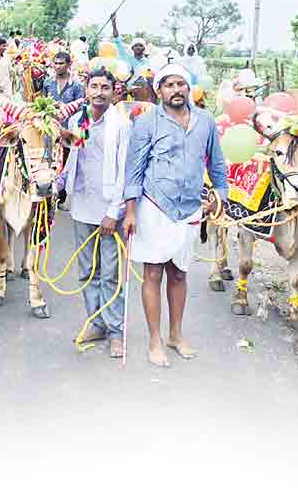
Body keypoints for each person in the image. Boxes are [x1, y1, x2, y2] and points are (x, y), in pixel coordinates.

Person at [121, 62, 227, 367]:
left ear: (189, 88)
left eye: (181, 84)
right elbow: (134, 169)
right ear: (159, 91)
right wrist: (130, 211)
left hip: (190, 208)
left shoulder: (205, 121)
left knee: (179, 274)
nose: (176, 90)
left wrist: (220, 195)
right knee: (153, 273)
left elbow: (216, 163)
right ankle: (155, 340)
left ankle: (175, 335)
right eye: (169, 85)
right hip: (155, 205)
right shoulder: (147, 122)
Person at [56, 68, 132, 357]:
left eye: (105, 87)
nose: (99, 92)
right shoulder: (78, 120)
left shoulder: (122, 124)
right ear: (86, 90)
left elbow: (125, 171)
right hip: (82, 207)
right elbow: (74, 158)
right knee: (88, 272)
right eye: (94, 86)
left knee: (111, 274)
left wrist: (115, 211)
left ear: (114, 92)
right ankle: (96, 322)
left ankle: (116, 331)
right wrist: (57, 184)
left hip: (109, 211)